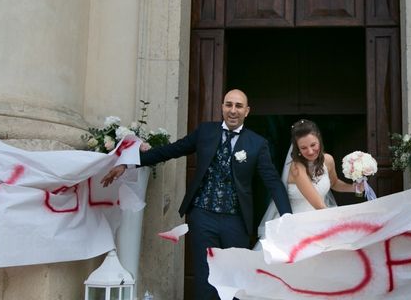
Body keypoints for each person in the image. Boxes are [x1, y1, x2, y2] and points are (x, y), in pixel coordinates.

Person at [101, 89, 292, 300]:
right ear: (222, 107)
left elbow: (273, 182)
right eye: (229, 104)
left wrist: (287, 217)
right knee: (205, 278)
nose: (233, 110)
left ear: (247, 111)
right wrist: (130, 162)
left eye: (238, 106)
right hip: (203, 217)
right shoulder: (205, 132)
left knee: (235, 281)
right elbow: (171, 150)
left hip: (236, 221)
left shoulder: (257, 143)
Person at [257, 119, 362, 238]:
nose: (310, 151)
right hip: (299, 224)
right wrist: (343, 223)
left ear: (319, 141)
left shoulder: (328, 160)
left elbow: (334, 183)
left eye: (313, 145)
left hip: (323, 216)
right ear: (298, 149)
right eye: (303, 148)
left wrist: (355, 188)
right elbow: (318, 204)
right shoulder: (297, 168)